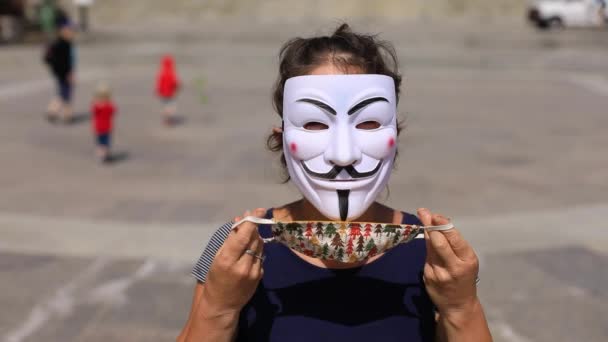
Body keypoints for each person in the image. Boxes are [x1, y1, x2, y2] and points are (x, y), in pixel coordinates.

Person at [178, 24, 493, 342]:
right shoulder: (238, 250)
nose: (344, 155)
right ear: (282, 138)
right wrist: (219, 307)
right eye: (314, 124)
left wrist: (460, 308)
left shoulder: (431, 255)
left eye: (368, 123)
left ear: (394, 136)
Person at [43, 20, 75, 123]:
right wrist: (68, 74)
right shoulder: (63, 44)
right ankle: (58, 113)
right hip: (64, 73)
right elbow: (65, 62)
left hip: (61, 73)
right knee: (65, 94)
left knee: (64, 94)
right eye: (69, 30)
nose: (72, 32)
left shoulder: (62, 43)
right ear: (63, 31)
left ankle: (62, 114)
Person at [91, 83, 116, 163]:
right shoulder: (109, 105)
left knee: (100, 142)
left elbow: (93, 112)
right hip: (107, 127)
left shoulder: (96, 106)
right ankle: (105, 155)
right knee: (106, 142)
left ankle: (101, 155)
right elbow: (113, 111)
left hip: (98, 127)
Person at [156, 54, 180, 126]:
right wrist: (177, 87)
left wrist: (158, 90)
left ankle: (166, 119)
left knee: (165, 105)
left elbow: (159, 83)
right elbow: (175, 82)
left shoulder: (162, 73)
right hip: (170, 93)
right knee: (171, 105)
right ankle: (168, 120)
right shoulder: (171, 72)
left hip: (163, 93)